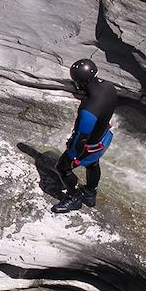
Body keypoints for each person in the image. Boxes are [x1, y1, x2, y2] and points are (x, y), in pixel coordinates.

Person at [51, 58, 117, 213]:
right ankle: (90, 194)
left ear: (80, 82)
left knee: (62, 168)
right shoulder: (109, 87)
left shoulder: (88, 110)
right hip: (103, 138)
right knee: (93, 164)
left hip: (89, 146)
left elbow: (81, 137)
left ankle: (74, 198)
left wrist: (75, 157)